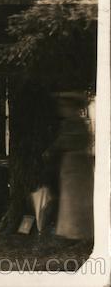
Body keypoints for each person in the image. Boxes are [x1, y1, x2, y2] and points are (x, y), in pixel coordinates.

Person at [43, 92, 94, 241]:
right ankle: (72, 231)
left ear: (72, 107)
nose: (61, 109)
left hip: (76, 162)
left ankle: (78, 232)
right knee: (70, 196)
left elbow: (66, 141)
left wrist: (51, 150)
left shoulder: (75, 122)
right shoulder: (72, 122)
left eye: (64, 106)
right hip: (72, 162)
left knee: (76, 197)